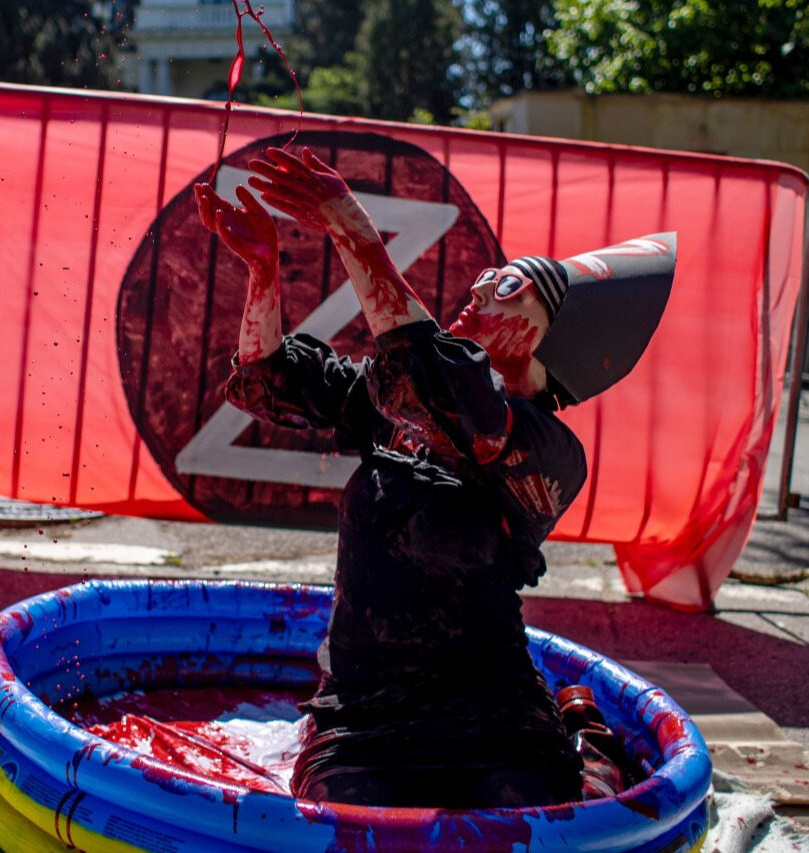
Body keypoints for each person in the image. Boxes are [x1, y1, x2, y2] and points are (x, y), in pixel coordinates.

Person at [194, 146, 675, 809]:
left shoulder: (549, 452)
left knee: (530, 823)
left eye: (506, 289)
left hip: (493, 721)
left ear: (541, 342)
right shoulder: (389, 402)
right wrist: (263, 270)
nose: (476, 291)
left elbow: (448, 387)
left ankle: (584, 733)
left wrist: (351, 226)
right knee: (346, 825)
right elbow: (268, 383)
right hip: (364, 721)